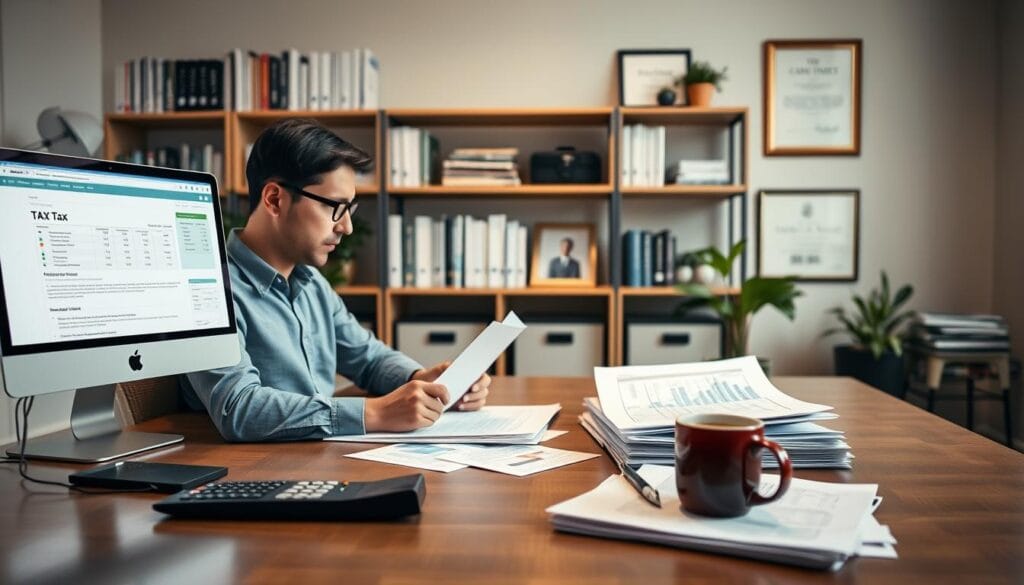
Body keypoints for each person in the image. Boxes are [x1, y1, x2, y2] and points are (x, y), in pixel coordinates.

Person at [182, 119, 490, 442]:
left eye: (349, 209)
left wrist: (422, 379)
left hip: (319, 459)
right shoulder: (208, 293)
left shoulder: (311, 283)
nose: (346, 227)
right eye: (335, 208)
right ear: (274, 199)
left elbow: (369, 359)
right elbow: (240, 408)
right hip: (253, 475)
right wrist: (375, 413)